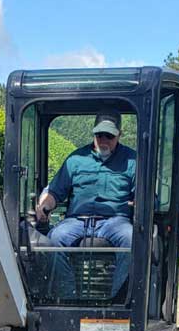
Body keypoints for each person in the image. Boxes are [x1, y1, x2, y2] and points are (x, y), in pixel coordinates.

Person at [35, 113, 136, 299]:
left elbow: (145, 195)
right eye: (99, 135)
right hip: (77, 221)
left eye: (109, 136)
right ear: (93, 134)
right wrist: (44, 207)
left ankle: (119, 299)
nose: (103, 140)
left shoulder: (132, 161)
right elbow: (55, 192)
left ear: (119, 135)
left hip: (114, 221)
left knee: (132, 240)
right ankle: (68, 298)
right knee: (55, 239)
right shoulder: (75, 159)